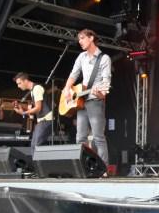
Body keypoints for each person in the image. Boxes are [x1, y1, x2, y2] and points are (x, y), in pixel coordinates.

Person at [63, 29, 111, 164]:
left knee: (98, 137)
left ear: (91, 38)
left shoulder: (104, 58)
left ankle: (104, 168)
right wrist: (67, 89)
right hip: (82, 101)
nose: (80, 41)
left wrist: (100, 93)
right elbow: (73, 74)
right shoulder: (81, 56)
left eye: (82, 38)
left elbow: (106, 82)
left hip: (95, 100)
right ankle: (85, 166)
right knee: (80, 138)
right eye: (79, 39)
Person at [13, 72, 53, 152]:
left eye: (19, 83)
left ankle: (38, 160)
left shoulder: (37, 88)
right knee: (34, 146)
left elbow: (38, 108)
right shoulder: (33, 90)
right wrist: (22, 108)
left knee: (36, 147)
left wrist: (23, 113)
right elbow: (36, 108)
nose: (18, 86)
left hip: (46, 120)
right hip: (42, 121)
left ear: (25, 81)